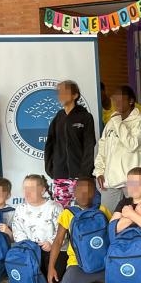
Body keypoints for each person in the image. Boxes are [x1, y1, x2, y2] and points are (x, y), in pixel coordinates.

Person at [47, 177, 111, 283]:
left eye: (88, 191)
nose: (84, 195)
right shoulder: (68, 214)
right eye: (80, 191)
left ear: (94, 193)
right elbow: (58, 241)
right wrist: (51, 267)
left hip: (103, 262)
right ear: (74, 192)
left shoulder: (102, 211)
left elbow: (115, 233)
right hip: (78, 264)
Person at [94, 85, 141, 214]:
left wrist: (118, 122)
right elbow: (102, 148)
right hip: (111, 180)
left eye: (121, 100)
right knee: (107, 217)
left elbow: (132, 144)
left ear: (131, 101)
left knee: (136, 218)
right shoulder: (111, 122)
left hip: (133, 180)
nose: (117, 103)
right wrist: (99, 171)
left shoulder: (140, 120)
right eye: (115, 100)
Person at [44, 80, 97, 208]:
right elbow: (50, 144)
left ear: (75, 95)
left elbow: (90, 146)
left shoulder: (85, 117)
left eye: (65, 92)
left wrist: (85, 173)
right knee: (62, 214)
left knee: (81, 211)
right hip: (60, 176)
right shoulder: (58, 117)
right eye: (59, 92)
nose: (61, 95)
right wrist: (51, 168)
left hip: (80, 176)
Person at [12, 175, 65, 279]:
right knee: (29, 276)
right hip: (30, 250)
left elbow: (62, 232)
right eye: (25, 188)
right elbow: (17, 230)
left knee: (52, 279)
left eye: (31, 189)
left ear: (42, 190)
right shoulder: (20, 209)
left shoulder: (54, 207)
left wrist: (50, 243)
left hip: (51, 250)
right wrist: (28, 246)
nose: (27, 192)